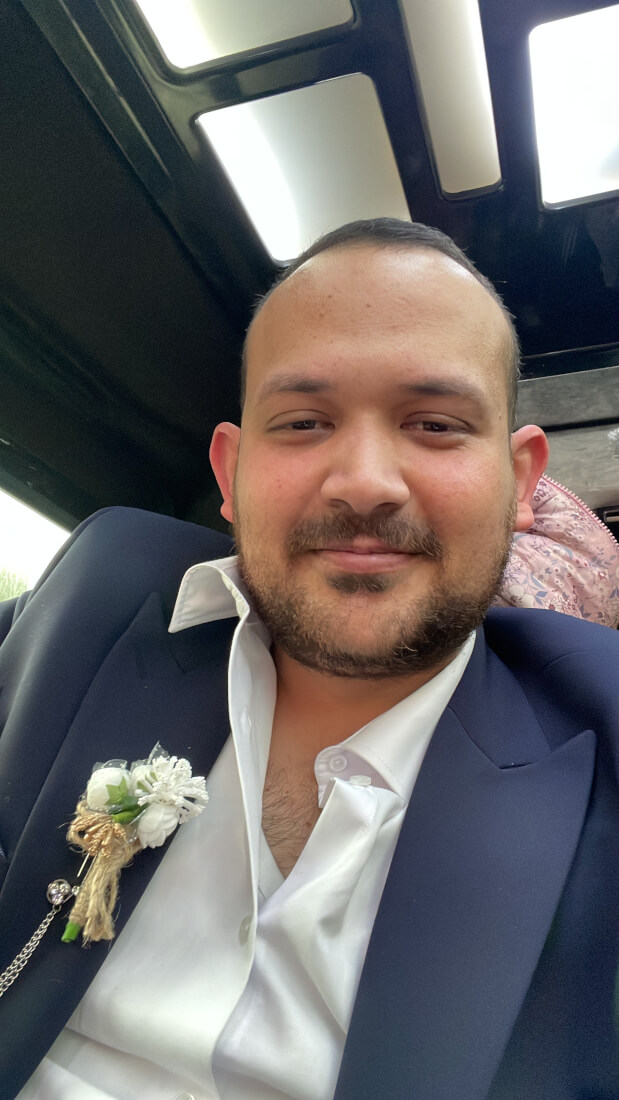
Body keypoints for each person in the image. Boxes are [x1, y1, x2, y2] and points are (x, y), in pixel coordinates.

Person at [0, 219, 617, 1100]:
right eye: (303, 422)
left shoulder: (600, 724)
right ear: (230, 472)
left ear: (520, 482)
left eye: (434, 424)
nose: (363, 482)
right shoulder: (99, 587)